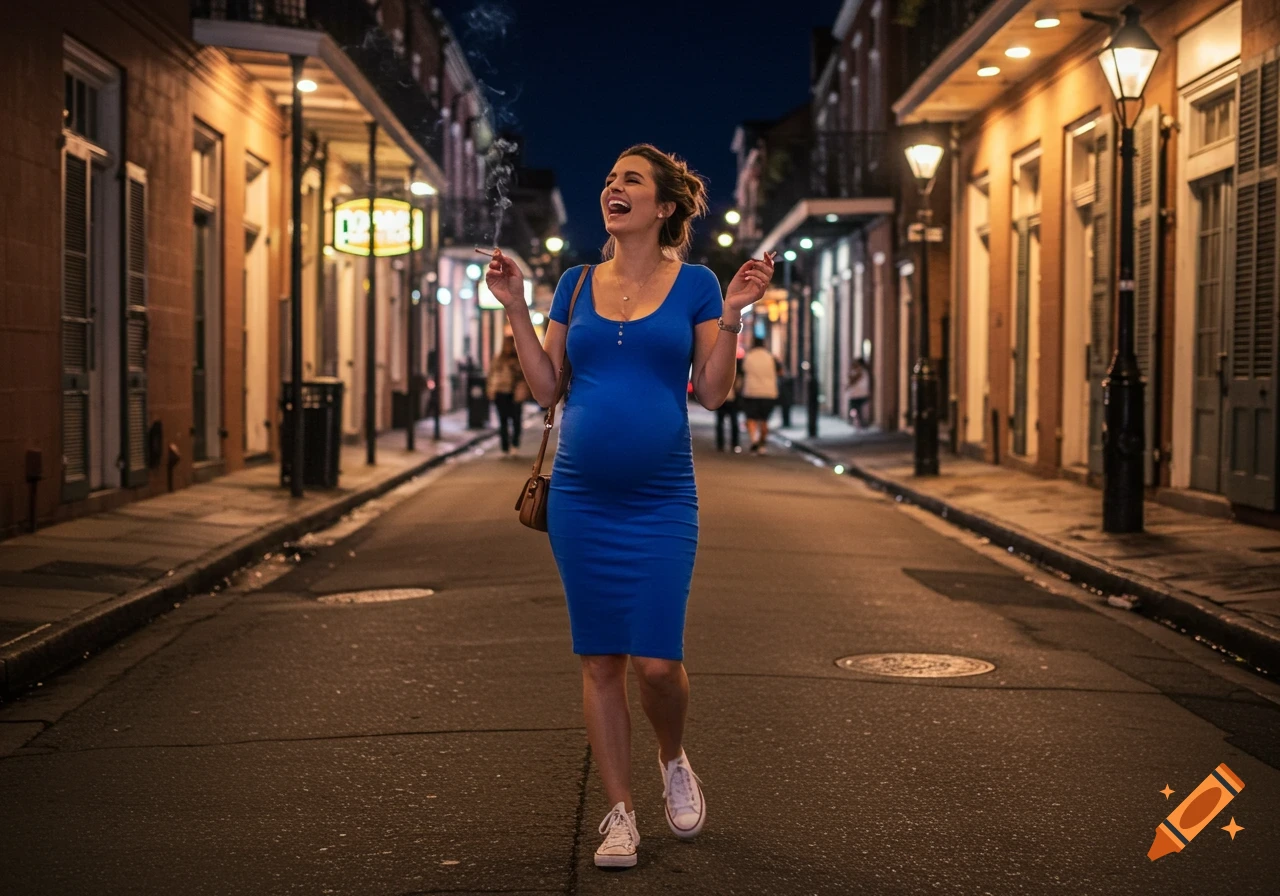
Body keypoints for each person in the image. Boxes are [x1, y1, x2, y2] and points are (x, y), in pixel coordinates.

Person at [484, 143, 774, 870]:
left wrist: (734, 314)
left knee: (656, 665)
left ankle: (673, 756)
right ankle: (619, 815)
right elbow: (547, 388)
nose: (613, 187)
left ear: (664, 207)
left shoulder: (699, 285)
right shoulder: (576, 284)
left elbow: (712, 393)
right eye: (610, 177)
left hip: (661, 497)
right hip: (581, 497)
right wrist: (518, 306)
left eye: (631, 180)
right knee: (601, 661)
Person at [487, 334, 528, 455]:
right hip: (501, 393)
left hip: (515, 393)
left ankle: (514, 444)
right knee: (503, 421)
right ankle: (505, 447)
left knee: (516, 420)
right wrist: (491, 390)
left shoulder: (518, 359)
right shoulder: (498, 359)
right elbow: (492, 375)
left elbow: (523, 377)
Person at [741, 336, 779, 453]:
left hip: (751, 392)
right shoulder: (771, 357)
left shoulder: (748, 357)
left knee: (751, 418)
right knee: (764, 420)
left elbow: (742, 371)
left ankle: (754, 440)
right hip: (769, 392)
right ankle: (762, 444)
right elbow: (780, 371)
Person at [715, 358, 744, 453]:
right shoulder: (720, 371)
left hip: (732, 400)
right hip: (722, 400)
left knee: (733, 422)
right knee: (721, 422)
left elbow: (739, 387)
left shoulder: (737, 375)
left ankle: (733, 444)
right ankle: (721, 445)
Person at [847, 356, 872, 429]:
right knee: (858, 408)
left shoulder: (860, 371)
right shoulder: (864, 371)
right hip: (860, 393)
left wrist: (848, 385)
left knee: (854, 408)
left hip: (857, 394)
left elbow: (853, 380)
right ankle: (858, 421)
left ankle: (857, 421)